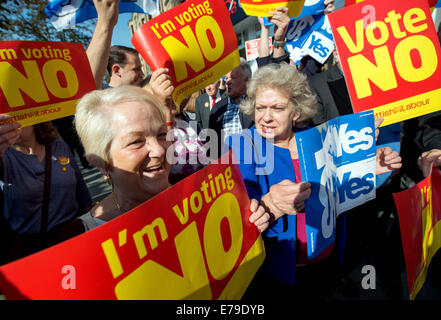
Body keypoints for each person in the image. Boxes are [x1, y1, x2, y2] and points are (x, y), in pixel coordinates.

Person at [226, 63, 402, 299]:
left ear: (296, 112)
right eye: (260, 108)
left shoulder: (318, 136)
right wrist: (268, 205)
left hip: (326, 265)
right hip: (278, 277)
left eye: (277, 108)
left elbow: (341, 190)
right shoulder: (241, 146)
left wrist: (369, 170)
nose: (266, 117)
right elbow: (234, 214)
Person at [57, 86, 270, 239]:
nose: (159, 150)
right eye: (136, 141)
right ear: (100, 162)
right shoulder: (79, 237)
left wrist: (251, 222)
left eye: (161, 135)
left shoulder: (205, 192)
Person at [0, 119, 92, 263]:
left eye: (16, 117)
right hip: (33, 251)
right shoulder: (4, 158)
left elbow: (81, 191)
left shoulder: (59, 147)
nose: (10, 125)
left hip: (76, 236)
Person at [209, 58, 254, 159]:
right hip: (226, 170)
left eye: (233, 77)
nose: (228, 82)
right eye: (226, 78)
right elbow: (212, 149)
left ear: (247, 80)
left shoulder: (257, 106)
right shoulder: (217, 109)